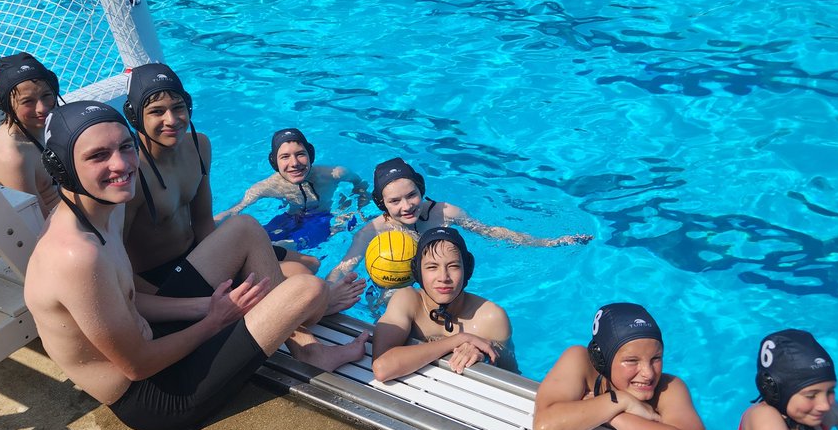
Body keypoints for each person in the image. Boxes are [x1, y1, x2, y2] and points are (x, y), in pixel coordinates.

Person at [24, 102, 351, 430]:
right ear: (62, 168)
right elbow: (137, 366)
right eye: (98, 156)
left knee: (244, 227)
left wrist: (205, 306)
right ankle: (309, 329)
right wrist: (214, 321)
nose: (121, 164)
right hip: (157, 396)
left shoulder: (104, 209)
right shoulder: (76, 256)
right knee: (307, 289)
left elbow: (126, 300)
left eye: (125, 147)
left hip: (154, 338)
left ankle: (302, 330)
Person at [119, 65, 363, 367]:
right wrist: (191, 306)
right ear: (134, 116)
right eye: (157, 111)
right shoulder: (130, 173)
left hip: (198, 257)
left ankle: (308, 307)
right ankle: (308, 345)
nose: (171, 120)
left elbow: (204, 224)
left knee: (307, 267)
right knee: (302, 285)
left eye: (178, 107)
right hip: (162, 283)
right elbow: (120, 272)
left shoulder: (198, 144)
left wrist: (237, 268)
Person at [327, 157, 592, 281]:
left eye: (412, 195)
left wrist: (546, 243)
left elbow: (492, 232)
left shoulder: (445, 213)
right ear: (382, 203)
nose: (407, 206)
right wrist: (326, 292)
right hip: (400, 279)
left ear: (422, 190)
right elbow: (344, 266)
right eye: (395, 201)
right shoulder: (373, 230)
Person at [532, 303, 706, 430]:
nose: (648, 373)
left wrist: (615, 415)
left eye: (656, 358)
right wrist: (620, 400)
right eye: (632, 361)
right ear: (601, 360)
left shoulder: (670, 388)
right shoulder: (580, 361)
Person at [371, 226, 516, 381]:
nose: (443, 277)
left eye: (453, 266)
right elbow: (382, 368)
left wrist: (485, 356)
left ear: (468, 269)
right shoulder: (407, 301)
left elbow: (510, 378)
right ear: (417, 271)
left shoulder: (490, 318)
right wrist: (460, 339)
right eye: (432, 267)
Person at [223, 128, 368, 254]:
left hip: (326, 217)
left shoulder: (335, 174)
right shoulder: (268, 186)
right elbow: (234, 210)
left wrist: (357, 210)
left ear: (310, 155)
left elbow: (361, 186)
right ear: (275, 162)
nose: (294, 163)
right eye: (285, 157)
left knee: (281, 246)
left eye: (300, 154)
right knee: (253, 239)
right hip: (289, 218)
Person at [0, 52, 62, 217]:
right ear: (5, 103)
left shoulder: (45, 126)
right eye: (27, 102)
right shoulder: (13, 156)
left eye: (46, 95)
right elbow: (37, 220)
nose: (42, 108)